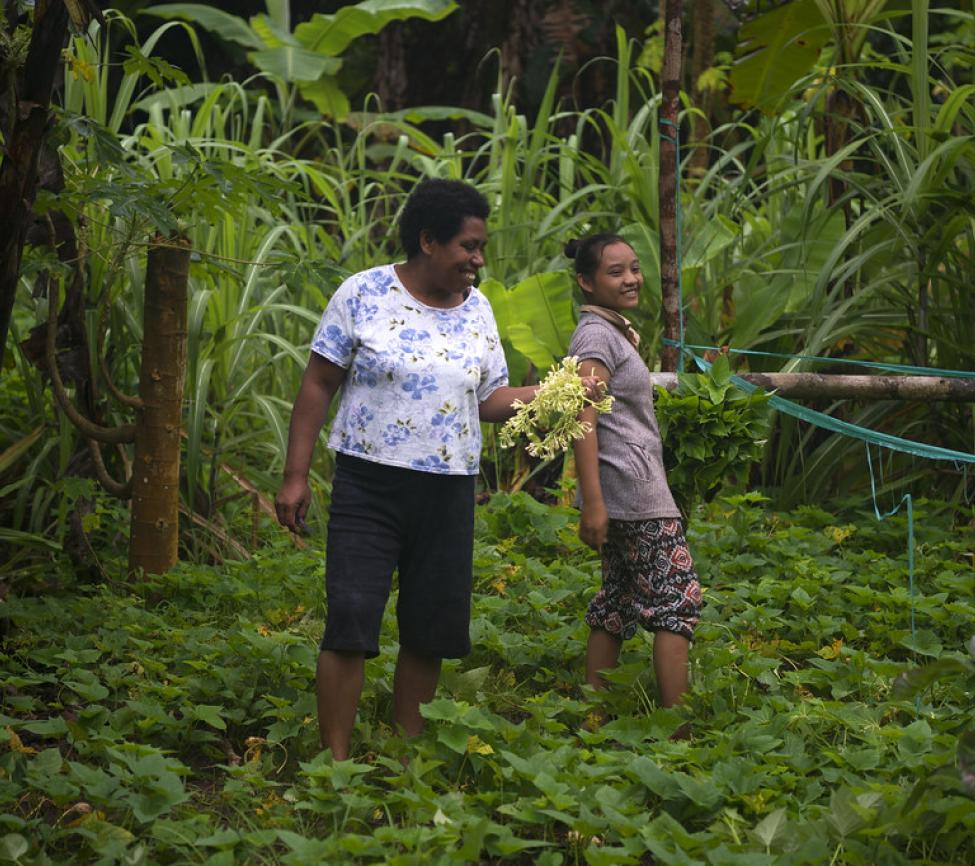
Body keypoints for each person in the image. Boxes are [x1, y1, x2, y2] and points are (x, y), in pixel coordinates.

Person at [275, 178, 541, 760]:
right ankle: (336, 763)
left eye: (480, 247)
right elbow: (319, 384)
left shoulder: (479, 311)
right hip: (369, 484)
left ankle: (407, 755)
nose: (478, 260)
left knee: (430, 626)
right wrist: (296, 475)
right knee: (351, 619)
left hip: (448, 492)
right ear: (427, 240)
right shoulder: (364, 294)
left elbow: (490, 399)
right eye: (468, 246)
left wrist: (552, 394)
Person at [566, 233, 703, 712]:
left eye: (634, 268)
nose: (631, 279)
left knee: (618, 601)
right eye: (615, 272)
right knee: (677, 600)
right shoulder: (598, 336)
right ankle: (678, 731)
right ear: (586, 282)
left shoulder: (608, 331)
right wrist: (595, 503)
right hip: (633, 491)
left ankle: (592, 721)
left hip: (627, 486)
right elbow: (583, 415)